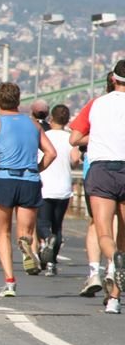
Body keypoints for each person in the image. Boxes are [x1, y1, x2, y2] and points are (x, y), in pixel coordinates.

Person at [0, 82, 56, 298]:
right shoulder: (33, 124)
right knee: (24, 232)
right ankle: (28, 246)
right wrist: (36, 169)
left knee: (3, 232)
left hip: (5, 178)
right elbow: (51, 153)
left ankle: (9, 282)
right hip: (30, 179)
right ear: (18, 100)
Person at [69, 61, 125, 314]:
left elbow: (74, 138)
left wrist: (98, 136)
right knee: (123, 236)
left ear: (113, 79)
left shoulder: (97, 104)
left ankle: (113, 263)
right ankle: (113, 299)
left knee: (104, 233)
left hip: (102, 171)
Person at [36, 104, 80, 277]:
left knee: (42, 223)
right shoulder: (70, 138)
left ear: (50, 118)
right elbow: (75, 160)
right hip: (64, 188)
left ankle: (46, 239)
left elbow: (38, 157)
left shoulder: (44, 136)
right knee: (58, 226)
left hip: (45, 186)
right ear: (67, 120)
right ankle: (52, 264)